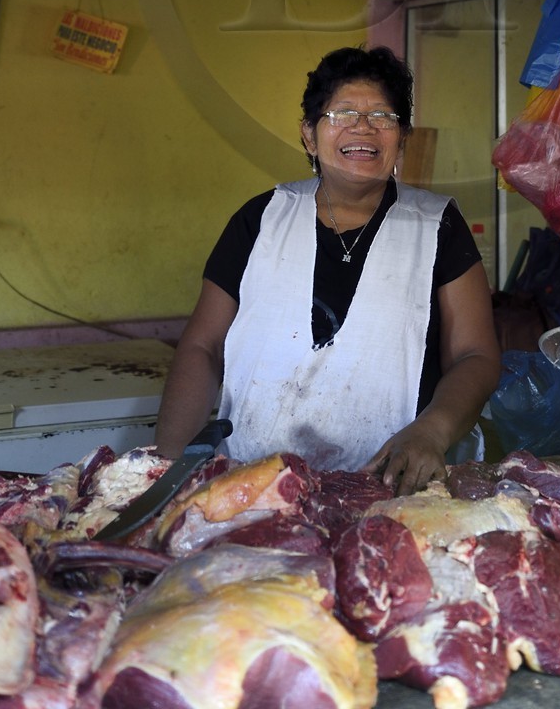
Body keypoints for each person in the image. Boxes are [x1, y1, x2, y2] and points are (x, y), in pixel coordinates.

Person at [155, 45, 501, 494]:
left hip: (390, 489)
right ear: (308, 135)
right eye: (341, 114)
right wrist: (166, 469)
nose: (363, 127)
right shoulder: (260, 220)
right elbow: (202, 346)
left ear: (402, 138)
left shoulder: (438, 226)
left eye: (383, 115)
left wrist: (433, 430)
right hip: (253, 484)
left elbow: (476, 355)